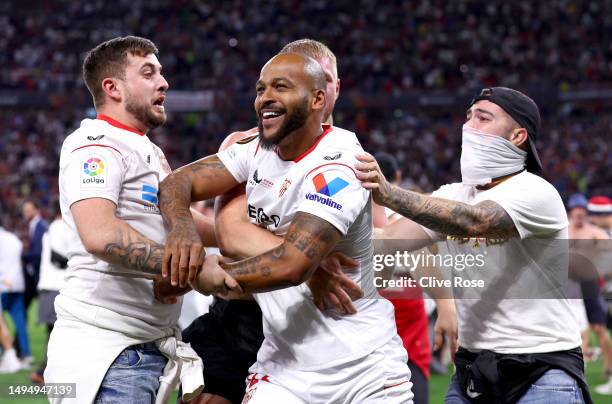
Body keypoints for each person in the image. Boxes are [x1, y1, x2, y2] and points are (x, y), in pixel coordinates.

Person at [160, 52, 413, 403]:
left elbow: (292, 264)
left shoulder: (339, 166)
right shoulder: (255, 149)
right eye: (261, 88)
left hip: (363, 369)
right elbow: (178, 182)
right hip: (283, 367)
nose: (265, 97)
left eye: (281, 87)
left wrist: (210, 274)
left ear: (318, 99)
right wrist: (183, 229)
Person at [355, 87, 590, 403]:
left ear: (518, 135)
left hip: (542, 368)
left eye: (483, 117)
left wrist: (389, 193)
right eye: (468, 117)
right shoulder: (454, 193)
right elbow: (384, 244)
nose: (469, 126)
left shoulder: (536, 192)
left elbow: (476, 221)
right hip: (474, 370)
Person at [180, 39, 359, 404]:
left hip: (315, 325)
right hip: (244, 314)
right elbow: (231, 232)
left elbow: (371, 253)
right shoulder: (247, 146)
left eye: (325, 77)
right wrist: (306, 262)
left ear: (332, 89)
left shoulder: (353, 161)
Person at [44, 36, 215, 403]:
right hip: (106, 355)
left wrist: (253, 235)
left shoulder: (147, 150)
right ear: (113, 88)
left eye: (161, 73)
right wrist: (192, 269)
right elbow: (101, 235)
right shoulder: (95, 144)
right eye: (148, 72)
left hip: (138, 350)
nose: (163, 82)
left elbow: (178, 220)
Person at [30, 200, 69, 384]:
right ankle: (42, 372)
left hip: (50, 285)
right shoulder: (61, 227)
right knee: (58, 332)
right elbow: (63, 257)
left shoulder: (53, 227)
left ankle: (45, 371)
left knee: (55, 332)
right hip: (57, 286)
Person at [0, 220, 31, 368]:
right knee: (20, 323)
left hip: (3, 284)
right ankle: (26, 355)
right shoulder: (13, 238)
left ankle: (6, 354)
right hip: (17, 284)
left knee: (1, 323)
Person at [21, 199, 48, 315]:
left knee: (45, 308)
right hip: (34, 274)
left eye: (28, 210)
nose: (25, 213)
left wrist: (21, 254)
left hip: (39, 274)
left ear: (36, 210)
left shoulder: (41, 227)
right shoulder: (34, 226)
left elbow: (39, 253)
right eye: (24, 211)